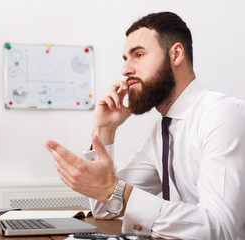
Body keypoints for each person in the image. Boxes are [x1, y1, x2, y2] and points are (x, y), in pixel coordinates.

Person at [45, 11, 245, 239]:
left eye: (138, 55)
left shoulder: (221, 114)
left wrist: (114, 189)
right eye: (125, 59)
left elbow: (221, 230)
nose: (125, 70)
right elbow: (105, 209)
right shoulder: (161, 134)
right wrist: (105, 130)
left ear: (176, 54)